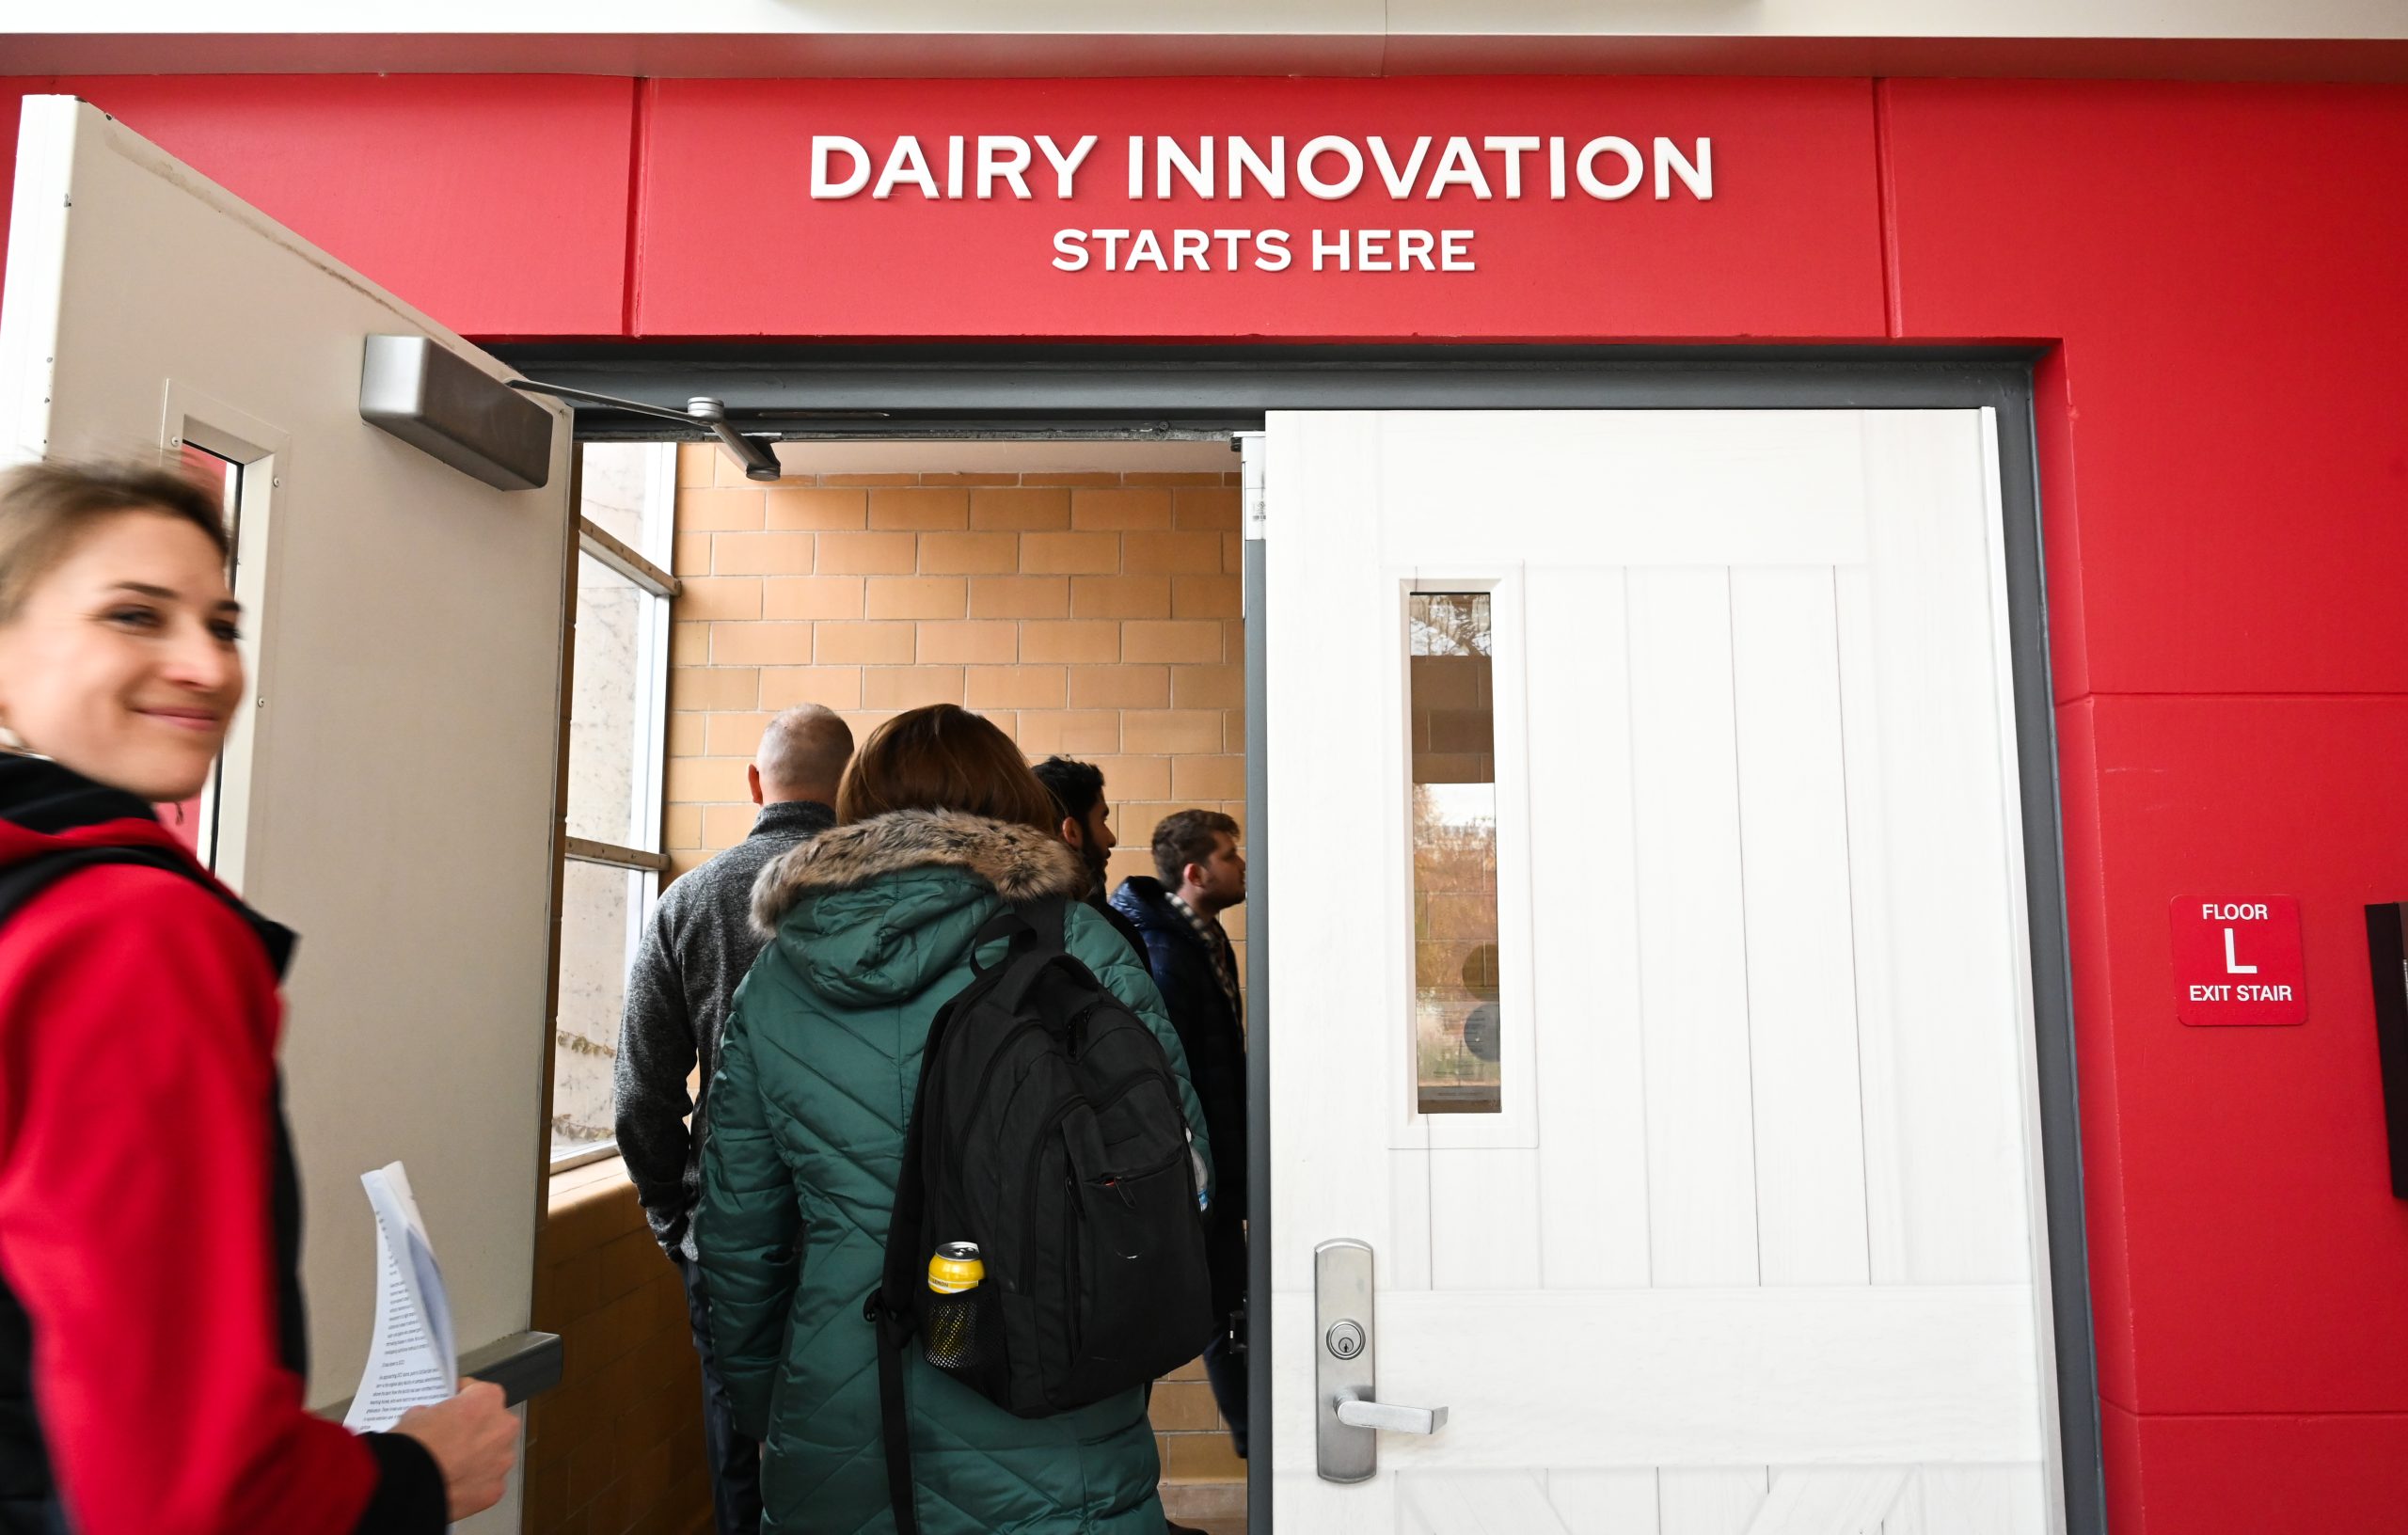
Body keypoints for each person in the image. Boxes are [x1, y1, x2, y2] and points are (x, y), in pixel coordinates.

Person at [0, 461, 517, 1533]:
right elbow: (181, 1497)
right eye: (133, 616)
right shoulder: (128, 935)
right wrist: (414, 1476)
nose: (202, 665)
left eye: (223, 625)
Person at [694, 704, 1212, 1535]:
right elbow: (1181, 1177)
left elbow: (738, 1233)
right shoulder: (1084, 950)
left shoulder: (781, 979)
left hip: (842, 1404)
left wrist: (776, 1399)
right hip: (1054, 1400)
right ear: (1016, 803)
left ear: (859, 811)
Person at [614, 702, 854, 1535]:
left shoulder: (690, 901)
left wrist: (674, 1213)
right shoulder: (882, 897)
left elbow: (641, 1092)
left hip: (726, 1223)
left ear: (757, 783)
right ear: (848, 790)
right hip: (861, 1219)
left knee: (736, 1427)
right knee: (860, 1426)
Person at [1110, 809, 1250, 1458]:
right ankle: (1255, 1440)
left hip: (1218, 1163)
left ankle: (1256, 1441)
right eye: (1230, 855)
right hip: (1195, 1171)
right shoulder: (1167, 951)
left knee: (1225, 1306)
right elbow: (1176, 1072)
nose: (1242, 865)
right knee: (1211, 1312)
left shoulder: (1203, 939)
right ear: (1195, 873)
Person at [1028, 753, 1145, 959]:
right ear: (1072, 831)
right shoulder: (1108, 934)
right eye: (1103, 819)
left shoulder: (997, 921)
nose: (1111, 838)